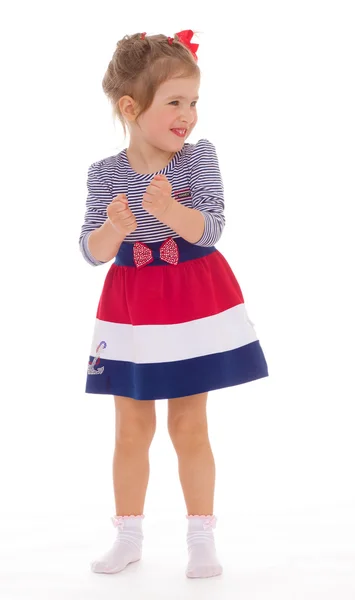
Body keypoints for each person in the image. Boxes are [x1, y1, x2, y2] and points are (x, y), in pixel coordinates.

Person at [79, 29, 269, 579]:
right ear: (130, 106)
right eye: (175, 102)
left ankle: (201, 538)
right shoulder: (105, 174)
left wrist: (170, 212)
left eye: (193, 102)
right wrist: (114, 231)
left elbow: (210, 229)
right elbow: (90, 250)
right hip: (132, 305)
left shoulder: (196, 160)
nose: (188, 115)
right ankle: (129, 534)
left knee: (189, 423)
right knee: (130, 426)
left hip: (190, 299)